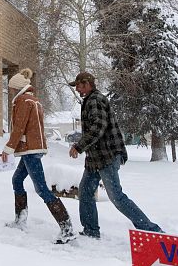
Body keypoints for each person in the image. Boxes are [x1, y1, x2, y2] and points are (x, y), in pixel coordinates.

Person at [68, 72, 163, 238]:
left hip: (107, 156)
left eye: (78, 85)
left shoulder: (95, 100)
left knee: (116, 197)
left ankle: (151, 231)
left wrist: (79, 146)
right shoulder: (89, 100)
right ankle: (91, 230)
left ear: (87, 84)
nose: (76, 89)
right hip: (95, 158)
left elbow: (98, 127)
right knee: (85, 192)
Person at [0, 68, 76, 244]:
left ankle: (67, 229)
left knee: (42, 189)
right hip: (33, 149)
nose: (10, 90)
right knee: (17, 180)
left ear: (17, 88)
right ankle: (20, 220)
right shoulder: (33, 100)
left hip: (30, 151)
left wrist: (8, 149)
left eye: (11, 88)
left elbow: (19, 128)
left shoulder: (24, 101)